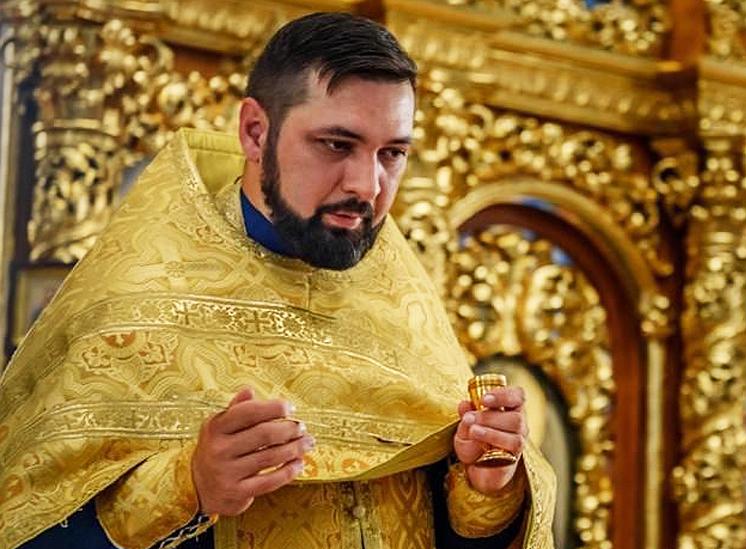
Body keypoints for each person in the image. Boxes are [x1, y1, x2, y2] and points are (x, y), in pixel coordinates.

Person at [0, 13, 555, 549]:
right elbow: (21, 524)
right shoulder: (132, 302)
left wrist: (487, 488)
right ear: (255, 132)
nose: (367, 184)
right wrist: (186, 486)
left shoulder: (406, 302)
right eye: (336, 145)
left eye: (393, 153)